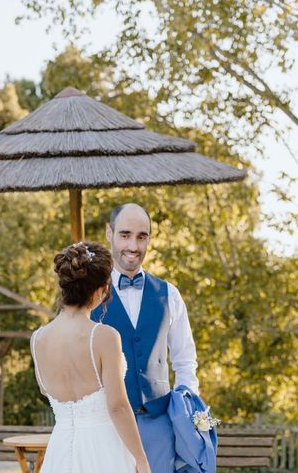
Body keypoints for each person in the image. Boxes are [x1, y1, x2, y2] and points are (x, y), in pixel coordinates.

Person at [91, 203, 200, 473]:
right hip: (106, 427)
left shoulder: (169, 294)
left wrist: (185, 418)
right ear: (109, 234)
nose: (134, 245)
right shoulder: (88, 296)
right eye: (125, 234)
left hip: (160, 427)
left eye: (142, 236)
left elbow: (185, 361)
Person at [31, 241, 151, 473]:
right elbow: (117, 406)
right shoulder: (104, 337)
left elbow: (46, 391)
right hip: (104, 449)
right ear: (99, 290)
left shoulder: (38, 339)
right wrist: (141, 459)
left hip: (60, 450)